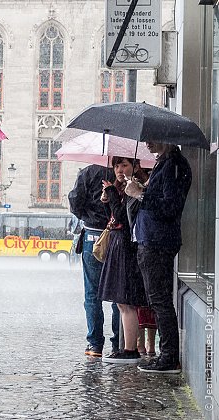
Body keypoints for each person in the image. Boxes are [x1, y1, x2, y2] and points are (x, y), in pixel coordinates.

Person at [125, 142, 191, 374]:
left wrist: (141, 193)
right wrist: (142, 187)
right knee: (157, 300)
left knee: (160, 301)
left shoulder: (173, 165)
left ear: (167, 136)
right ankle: (166, 356)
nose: (147, 143)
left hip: (158, 242)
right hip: (150, 240)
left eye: (152, 137)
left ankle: (169, 357)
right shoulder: (163, 163)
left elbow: (170, 207)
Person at [98, 157, 150, 364]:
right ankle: (128, 347)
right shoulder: (121, 188)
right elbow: (112, 218)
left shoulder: (134, 188)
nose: (119, 170)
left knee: (126, 300)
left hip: (127, 247)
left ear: (134, 167)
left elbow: (123, 219)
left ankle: (131, 349)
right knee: (121, 301)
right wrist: (107, 199)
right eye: (116, 166)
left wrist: (111, 193)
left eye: (124, 165)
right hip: (118, 244)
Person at [69, 164, 120, 358]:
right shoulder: (123, 169)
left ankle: (95, 344)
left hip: (93, 235)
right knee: (118, 293)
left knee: (92, 293)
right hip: (116, 234)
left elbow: (74, 201)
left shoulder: (88, 172)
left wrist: (88, 216)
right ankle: (119, 342)